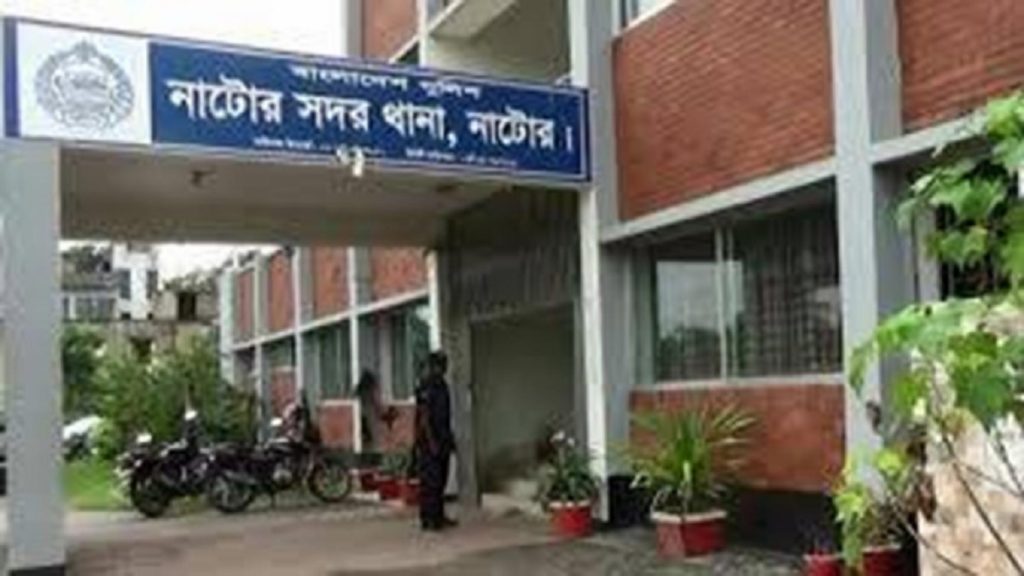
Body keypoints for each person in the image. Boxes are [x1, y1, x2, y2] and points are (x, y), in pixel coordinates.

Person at [415, 351, 456, 531]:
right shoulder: (427, 385)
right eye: (441, 364)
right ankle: (429, 519)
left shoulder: (442, 385)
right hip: (430, 441)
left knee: (441, 480)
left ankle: (438, 516)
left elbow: (445, 415)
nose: (444, 368)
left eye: (445, 364)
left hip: (442, 437)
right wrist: (431, 442)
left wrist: (449, 438)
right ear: (434, 366)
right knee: (431, 481)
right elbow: (424, 416)